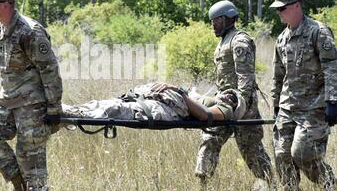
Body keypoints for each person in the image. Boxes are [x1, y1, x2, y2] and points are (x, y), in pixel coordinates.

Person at [0, 0, 63, 191]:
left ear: (6, 5)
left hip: (32, 104)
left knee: (31, 162)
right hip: (7, 99)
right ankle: (19, 188)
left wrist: (54, 110)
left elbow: (50, 70)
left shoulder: (30, 32)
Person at [193, 0, 273, 190]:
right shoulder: (223, 42)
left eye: (216, 20)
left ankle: (271, 187)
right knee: (209, 140)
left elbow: (245, 76)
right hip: (223, 103)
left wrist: (241, 106)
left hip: (242, 107)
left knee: (251, 150)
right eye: (212, 21)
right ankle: (202, 189)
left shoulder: (239, 41)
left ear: (227, 19)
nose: (213, 25)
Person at [270, 0, 337, 191]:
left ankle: (331, 188)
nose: (279, 13)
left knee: (303, 153)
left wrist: (333, 101)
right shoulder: (282, 39)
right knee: (282, 156)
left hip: (314, 106)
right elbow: (278, 75)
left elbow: (332, 67)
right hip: (289, 107)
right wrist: (276, 104)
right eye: (277, 9)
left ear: (297, 5)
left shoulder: (318, 32)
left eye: (282, 9)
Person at [62, 82, 247, 123]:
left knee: (118, 109)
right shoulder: (213, 97)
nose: (227, 96)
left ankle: (74, 114)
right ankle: (70, 110)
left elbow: (204, 115)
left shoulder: (225, 109)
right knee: (110, 103)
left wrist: (178, 91)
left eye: (232, 97)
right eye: (228, 94)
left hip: (170, 110)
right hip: (163, 101)